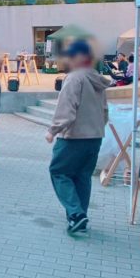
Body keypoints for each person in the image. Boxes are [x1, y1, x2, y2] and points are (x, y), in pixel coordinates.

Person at [45, 41, 109, 235]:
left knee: (59, 172)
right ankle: (79, 215)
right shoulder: (97, 79)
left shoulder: (74, 78)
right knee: (82, 177)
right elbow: (105, 111)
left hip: (74, 137)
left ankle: (75, 214)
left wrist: (52, 131)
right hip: (95, 136)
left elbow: (66, 109)